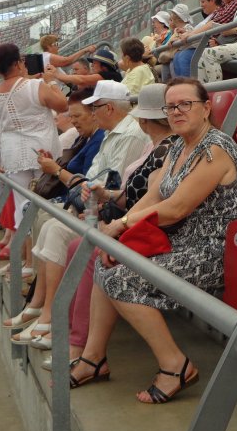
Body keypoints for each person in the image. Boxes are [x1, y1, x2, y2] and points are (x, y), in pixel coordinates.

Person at [69, 77, 237, 404]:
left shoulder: (215, 149)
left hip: (207, 252)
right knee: (106, 261)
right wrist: (120, 234)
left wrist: (120, 223)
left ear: (206, 108)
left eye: (186, 104)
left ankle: (175, 365)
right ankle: (93, 359)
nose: (177, 111)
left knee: (120, 278)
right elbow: (154, 196)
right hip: (175, 243)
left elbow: (177, 208)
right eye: (171, 106)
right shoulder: (178, 145)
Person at [10, 80, 149, 347]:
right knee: (48, 221)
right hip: (94, 206)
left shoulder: (128, 135)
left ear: (109, 108)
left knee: (55, 228)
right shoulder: (111, 134)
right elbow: (92, 180)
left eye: (94, 108)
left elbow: (107, 186)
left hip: (108, 213)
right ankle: (41, 306)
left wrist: (84, 194)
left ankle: (50, 313)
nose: (92, 114)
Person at [47, 83, 176, 368]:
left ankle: (80, 344)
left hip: (147, 228)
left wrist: (116, 222)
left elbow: (154, 201)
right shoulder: (153, 146)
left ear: (145, 120)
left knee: (90, 251)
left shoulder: (167, 149)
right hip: (131, 220)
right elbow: (133, 193)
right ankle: (70, 333)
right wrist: (106, 196)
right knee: (78, 247)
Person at [3, 88, 106, 329]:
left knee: (49, 223)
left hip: (83, 203)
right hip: (78, 200)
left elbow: (85, 182)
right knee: (38, 215)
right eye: (71, 116)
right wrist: (54, 164)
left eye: (77, 116)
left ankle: (44, 305)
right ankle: (38, 300)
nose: (73, 121)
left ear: (95, 113)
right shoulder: (86, 137)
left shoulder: (99, 138)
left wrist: (56, 170)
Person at [0, 43, 67, 234]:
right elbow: (62, 105)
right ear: (17, 63)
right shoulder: (35, 86)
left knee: (21, 206)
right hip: (43, 151)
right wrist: (51, 82)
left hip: (14, 154)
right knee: (46, 203)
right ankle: (39, 248)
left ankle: (24, 250)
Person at [169, 0, 226, 78]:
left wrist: (188, 34)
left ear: (212, 0)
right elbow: (196, 33)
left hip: (205, 46)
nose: (201, 5)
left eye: (203, 2)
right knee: (177, 56)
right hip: (197, 44)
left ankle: (189, 85)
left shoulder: (218, 15)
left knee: (183, 56)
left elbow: (210, 31)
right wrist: (186, 32)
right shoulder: (208, 18)